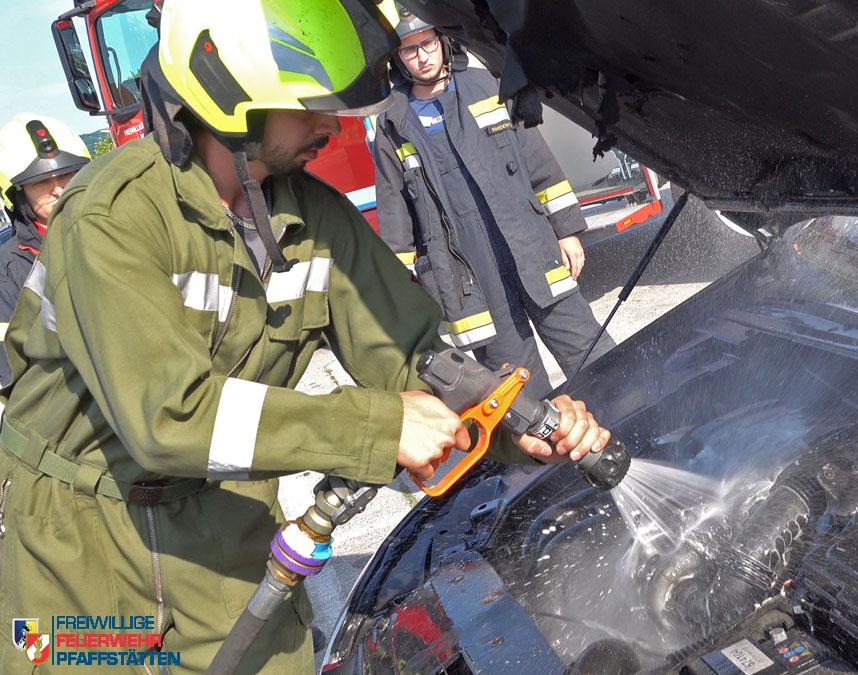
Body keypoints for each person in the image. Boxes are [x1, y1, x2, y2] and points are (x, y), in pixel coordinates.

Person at [0, 0, 610, 672]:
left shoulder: (313, 215)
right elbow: (166, 417)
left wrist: (506, 418)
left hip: (221, 524)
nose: (330, 124)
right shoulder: (114, 217)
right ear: (227, 92)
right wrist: (378, 430)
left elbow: (410, 351)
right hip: (76, 540)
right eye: (306, 103)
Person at [373, 5, 616, 398]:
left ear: (442, 41)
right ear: (398, 59)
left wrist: (567, 230)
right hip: (468, 275)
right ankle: (547, 458)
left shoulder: (486, 86)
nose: (422, 55)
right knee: (518, 391)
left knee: (590, 351)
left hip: (529, 246)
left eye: (428, 43)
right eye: (410, 49)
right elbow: (393, 207)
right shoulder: (392, 123)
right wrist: (403, 281)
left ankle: (637, 415)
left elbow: (537, 161)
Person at [0, 114, 91, 384]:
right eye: (41, 181)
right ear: (17, 193)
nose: (58, 188)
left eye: (66, 174)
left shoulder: (123, 229)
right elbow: (11, 374)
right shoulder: (8, 274)